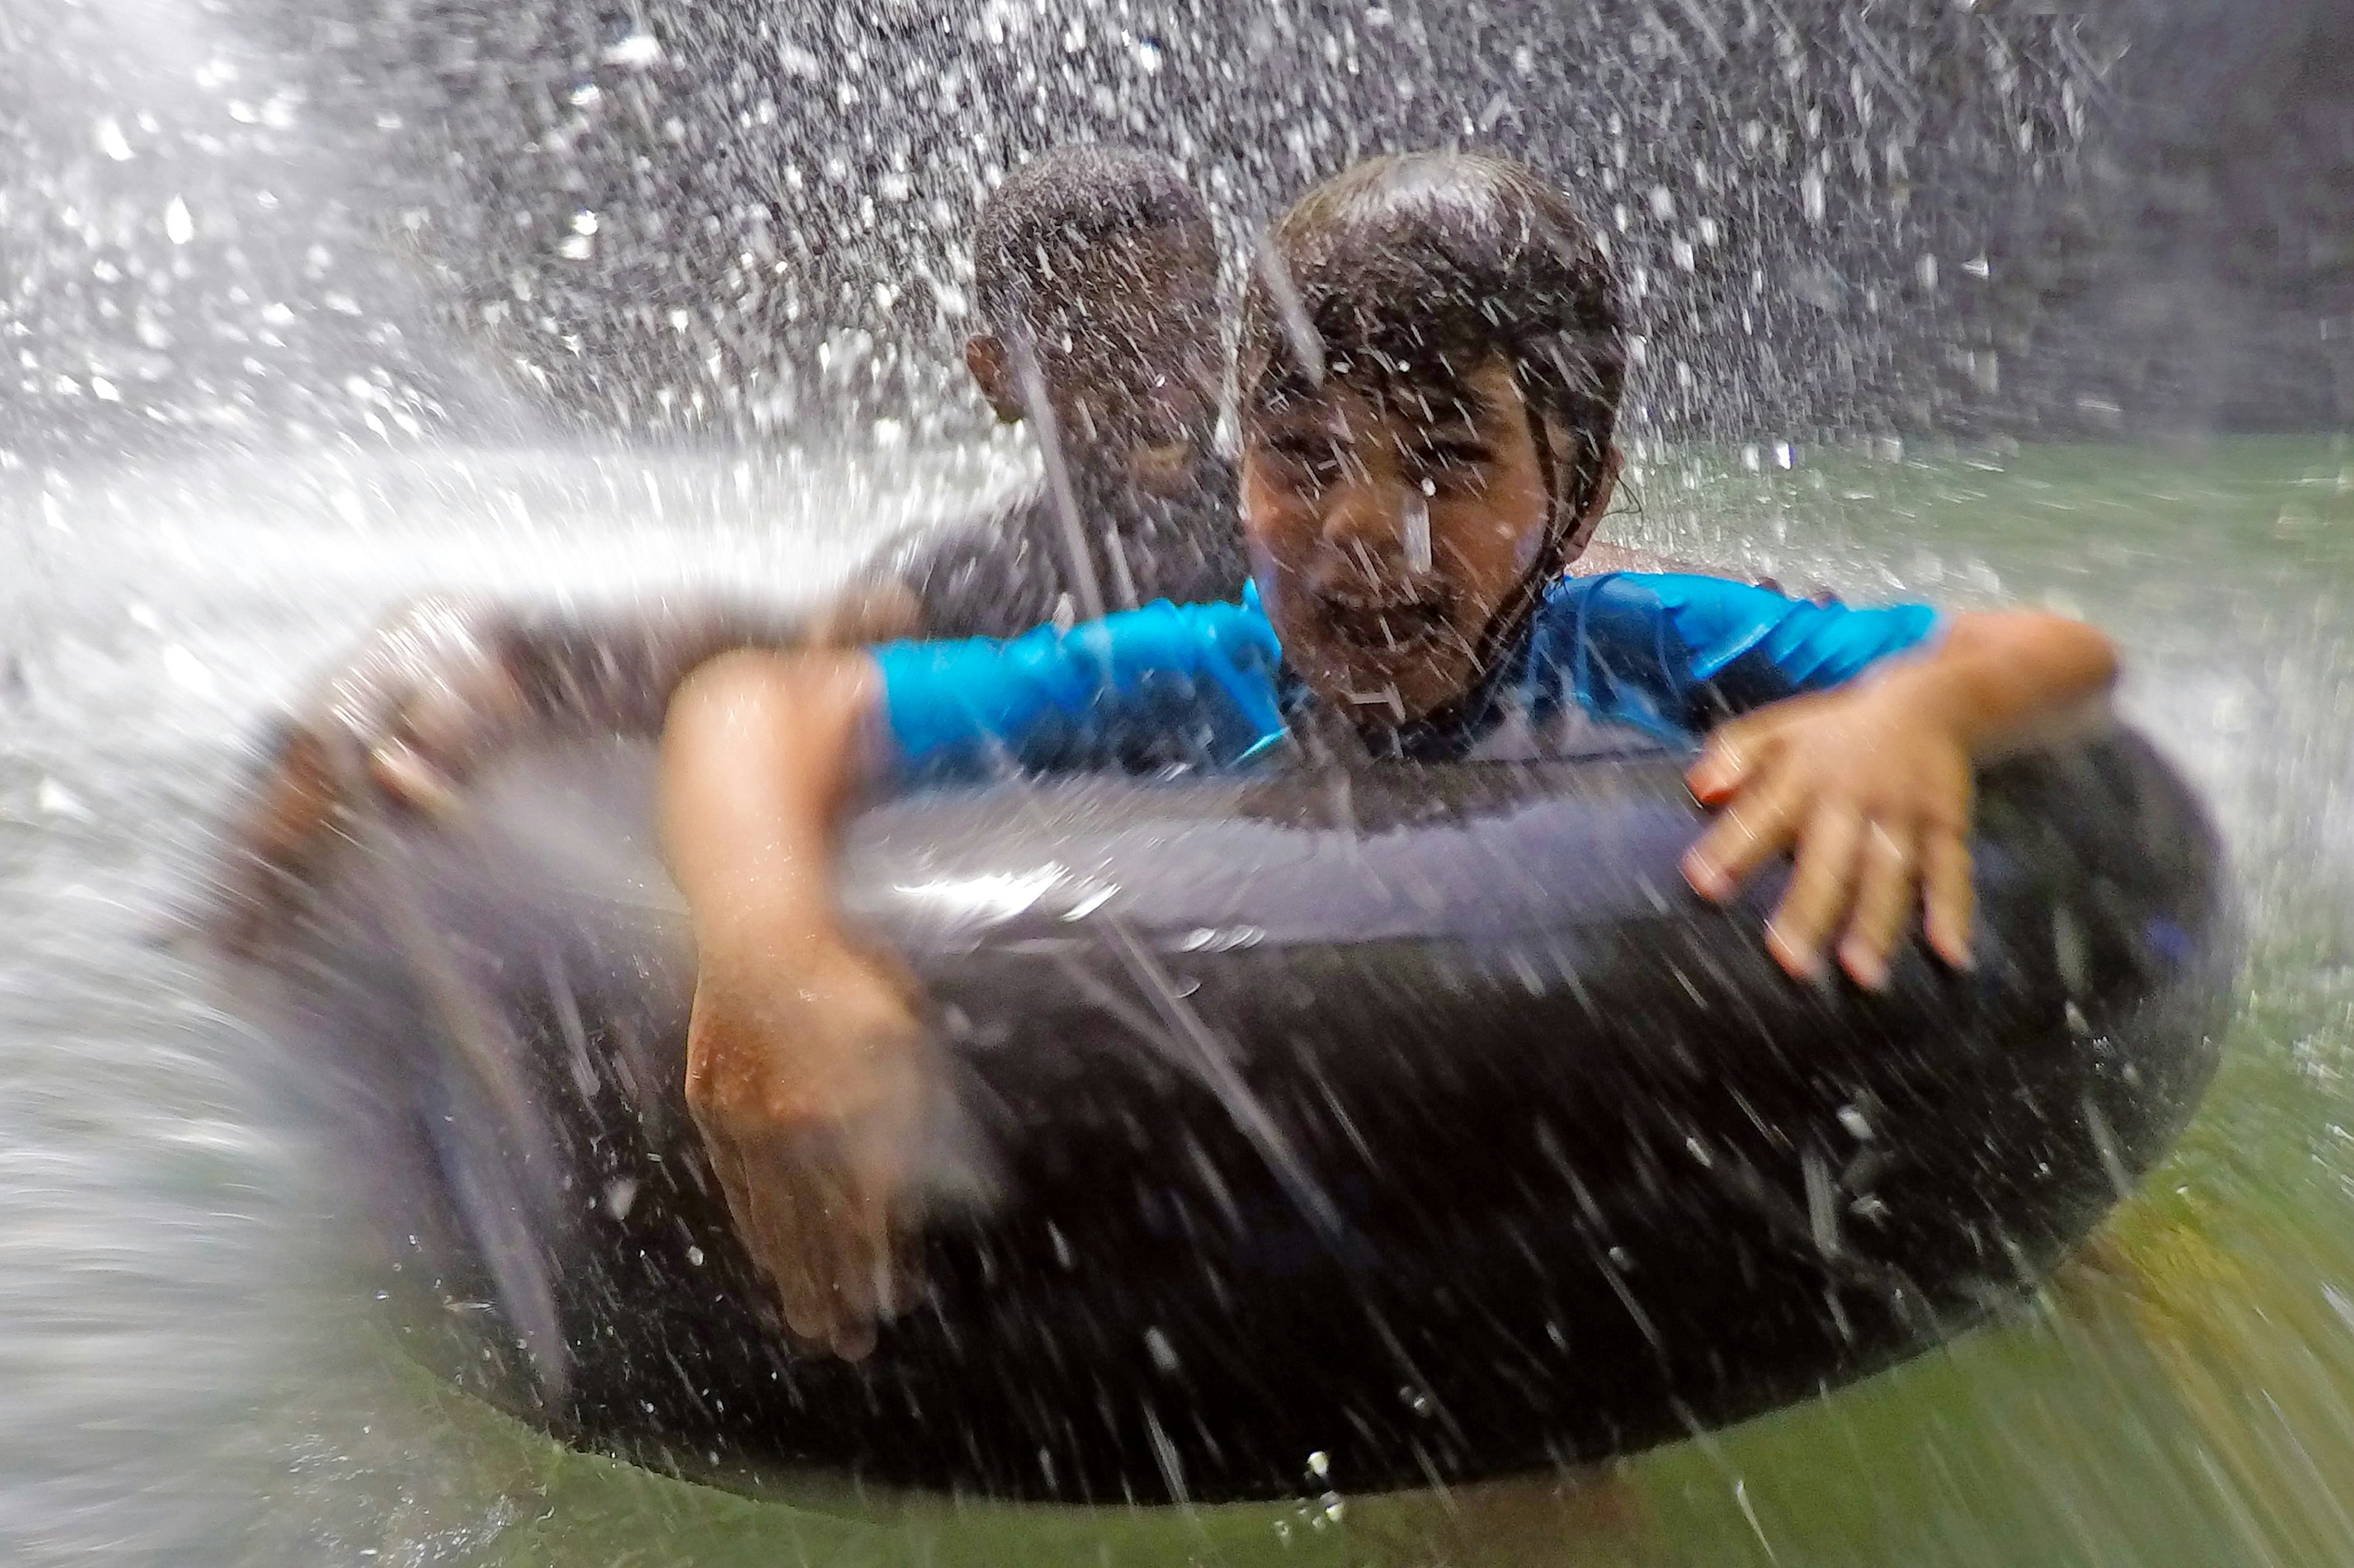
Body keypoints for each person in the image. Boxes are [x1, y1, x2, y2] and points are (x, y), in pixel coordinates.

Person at [654, 151, 2121, 1357]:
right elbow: (761, 706)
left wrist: (1908, 715)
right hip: (1366, 1202)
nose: (1362, 526)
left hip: (1637, 1157)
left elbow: (2053, 650)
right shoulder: (1197, 668)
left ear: (1584, 489)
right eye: (1298, 453)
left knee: (2087, 1267)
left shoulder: (1644, 648)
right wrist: (771, 947)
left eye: (1444, 459)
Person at [217, 144, 1246, 947]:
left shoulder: (1289, 532)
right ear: (996, 375)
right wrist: (511, 662)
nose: (1165, 385)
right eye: (1101, 346)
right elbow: (751, 664)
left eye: (1190, 333)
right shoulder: (978, 578)